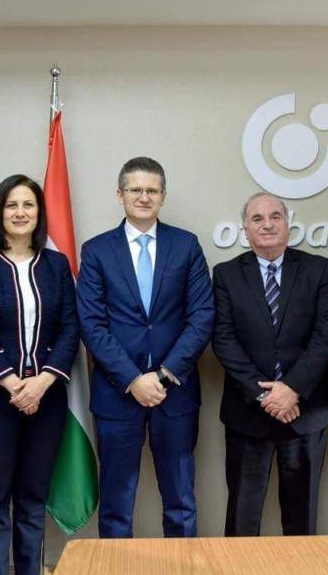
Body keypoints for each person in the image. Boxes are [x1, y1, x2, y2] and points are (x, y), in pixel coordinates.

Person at [77, 156, 214, 538]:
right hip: (117, 394)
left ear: (163, 197)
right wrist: (133, 379)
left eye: (152, 190)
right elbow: (91, 323)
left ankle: (182, 565)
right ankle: (118, 565)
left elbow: (202, 316)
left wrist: (165, 374)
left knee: (181, 501)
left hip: (176, 394)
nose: (143, 197)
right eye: (135, 189)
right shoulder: (97, 250)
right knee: (116, 504)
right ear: (120, 194)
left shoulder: (186, 245)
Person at [0, 174, 79, 575]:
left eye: (28, 205)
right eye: (12, 205)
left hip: (46, 402)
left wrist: (42, 383)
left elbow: (70, 327)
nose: (20, 212)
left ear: (39, 213)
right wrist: (12, 383)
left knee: (32, 499)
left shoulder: (56, 265)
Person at [212, 192, 328, 536]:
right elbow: (223, 339)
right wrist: (266, 395)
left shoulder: (317, 269)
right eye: (257, 218)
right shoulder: (226, 274)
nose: (267, 224)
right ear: (245, 229)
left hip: (305, 414)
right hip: (248, 414)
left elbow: (326, 334)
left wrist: (292, 389)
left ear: (287, 224)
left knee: (302, 519)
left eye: (275, 216)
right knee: (242, 518)